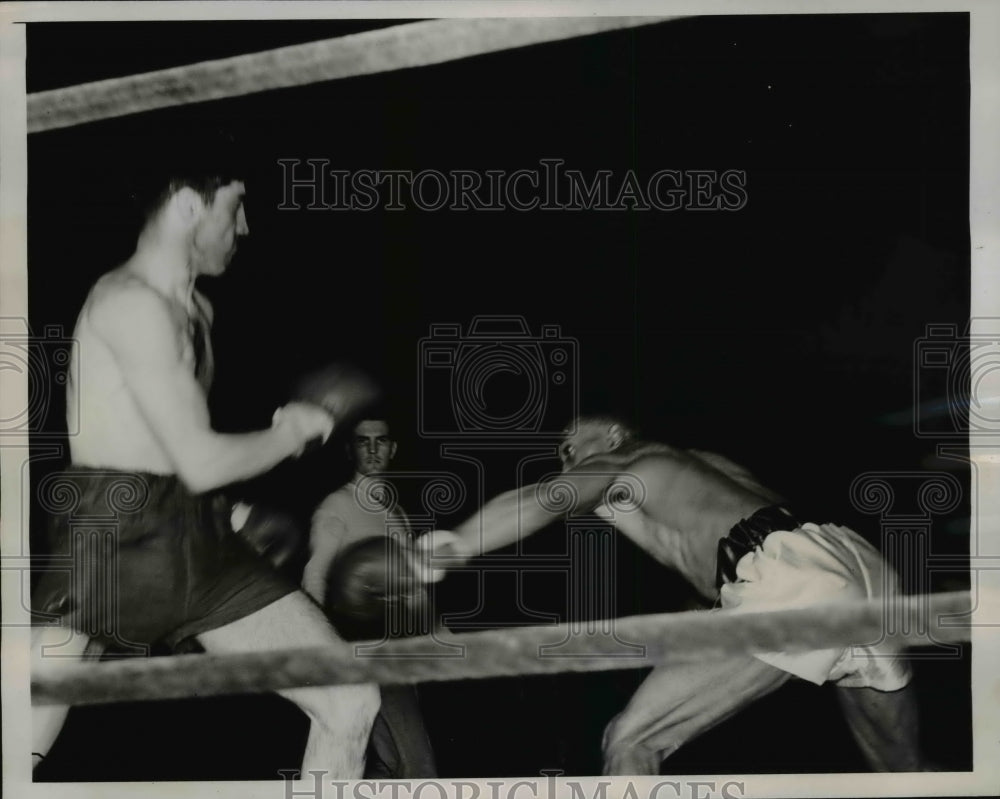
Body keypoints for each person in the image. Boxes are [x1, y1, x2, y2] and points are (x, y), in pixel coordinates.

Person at [30, 137, 379, 778]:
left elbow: (175, 455)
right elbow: (201, 461)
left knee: (350, 697)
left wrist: (229, 512)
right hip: (114, 541)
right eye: (235, 207)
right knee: (15, 744)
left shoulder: (195, 308)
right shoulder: (131, 304)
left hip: (196, 539)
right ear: (190, 205)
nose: (244, 226)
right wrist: (296, 430)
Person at [424, 415, 923, 774]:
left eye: (571, 446)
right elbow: (730, 568)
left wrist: (456, 543)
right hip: (856, 561)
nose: (565, 461)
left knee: (631, 742)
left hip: (797, 580)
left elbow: (545, 499)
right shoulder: (701, 466)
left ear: (614, 435)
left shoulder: (632, 462)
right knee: (902, 773)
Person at [303, 415, 438, 778]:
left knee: (390, 763)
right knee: (418, 766)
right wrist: (320, 648)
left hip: (402, 651)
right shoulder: (337, 506)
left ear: (393, 449)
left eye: (381, 441)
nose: (374, 449)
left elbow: (411, 586)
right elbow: (316, 572)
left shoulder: (396, 513)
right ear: (351, 450)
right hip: (364, 649)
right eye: (364, 441)